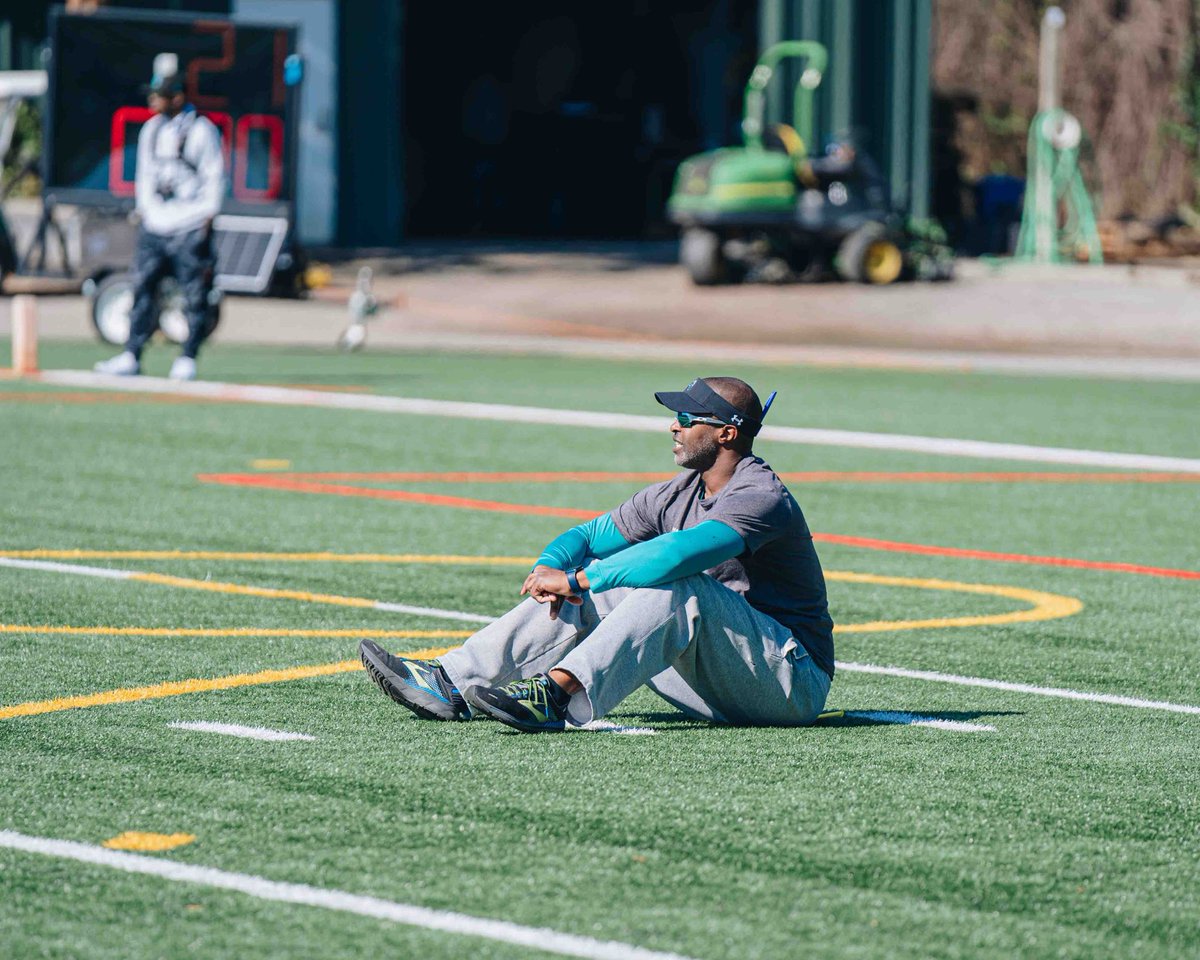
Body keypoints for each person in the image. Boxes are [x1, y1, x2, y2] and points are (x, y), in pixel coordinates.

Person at [360, 376, 835, 734]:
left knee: (675, 585)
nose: (674, 425)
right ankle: (450, 681)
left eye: (688, 420)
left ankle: (555, 695)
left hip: (790, 683)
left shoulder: (761, 495)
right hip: (719, 678)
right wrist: (551, 566)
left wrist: (579, 580)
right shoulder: (677, 491)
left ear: (727, 434)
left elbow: (676, 556)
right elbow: (587, 536)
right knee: (613, 586)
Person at [95, 53, 224, 382]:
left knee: (193, 293)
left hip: (189, 224)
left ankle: (187, 356)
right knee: (142, 288)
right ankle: (131, 354)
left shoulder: (201, 131)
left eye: (159, 95)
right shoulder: (151, 130)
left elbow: (214, 178)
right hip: (156, 224)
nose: (153, 101)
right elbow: (144, 177)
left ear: (176, 97)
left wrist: (206, 219)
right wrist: (147, 212)